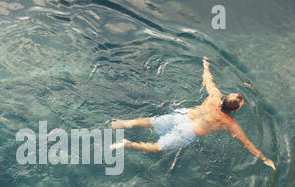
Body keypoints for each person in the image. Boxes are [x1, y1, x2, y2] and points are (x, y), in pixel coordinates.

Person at [109, 57, 276, 171]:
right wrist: (264, 158)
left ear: (224, 99)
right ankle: (127, 144)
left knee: (149, 122)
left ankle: (123, 123)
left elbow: (208, 80)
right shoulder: (229, 123)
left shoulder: (214, 97)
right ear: (235, 109)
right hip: (187, 132)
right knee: (157, 148)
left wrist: (206, 66)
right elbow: (247, 143)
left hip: (181, 116)